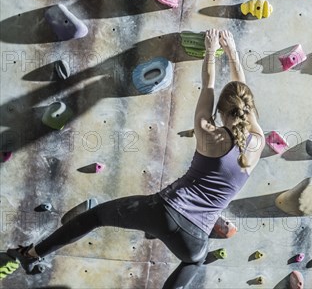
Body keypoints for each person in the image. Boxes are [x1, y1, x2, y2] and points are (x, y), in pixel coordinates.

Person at [5, 29, 265, 288]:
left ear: (220, 111)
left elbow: (209, 85)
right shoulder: (258, 140)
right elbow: (243, 98)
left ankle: (30, 255)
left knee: (94, 217)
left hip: (163, 211)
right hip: (194, 236)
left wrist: (213, 52)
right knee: (193, 262)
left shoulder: (208, 132)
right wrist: (233, 54)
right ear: (248, 111)